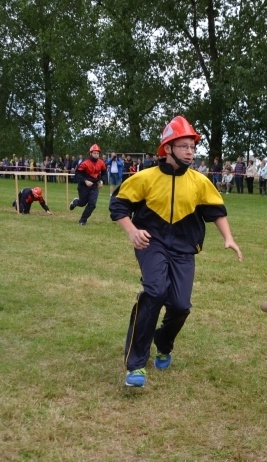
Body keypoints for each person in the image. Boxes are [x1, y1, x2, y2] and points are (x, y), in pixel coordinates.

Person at [109, 116, 242, 388]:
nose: (190, 152)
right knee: (155, 292)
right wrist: (132, 231)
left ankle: (164, 342)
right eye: (183, 146)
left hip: (184, 248)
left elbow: (216, 210)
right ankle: (136, 364)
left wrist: (228, 237)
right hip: (151, 244)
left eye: (192, 147)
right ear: (167, 148)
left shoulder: (199, 181)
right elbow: (119, 206)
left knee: (181, 306)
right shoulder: (145, 178)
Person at [69, 144, 108, 225]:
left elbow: (104, 173)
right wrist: (85, 181)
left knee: (92, 204)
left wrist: (102, 181)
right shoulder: (84, 163)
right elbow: (78, 174)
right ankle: (75, 202)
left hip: (94, 186)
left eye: (98, 153)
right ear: (90, 153)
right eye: (94, 153)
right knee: (82, 203)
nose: (96, 155)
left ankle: (83, 220)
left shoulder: (102, 163)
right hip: (83, 186)